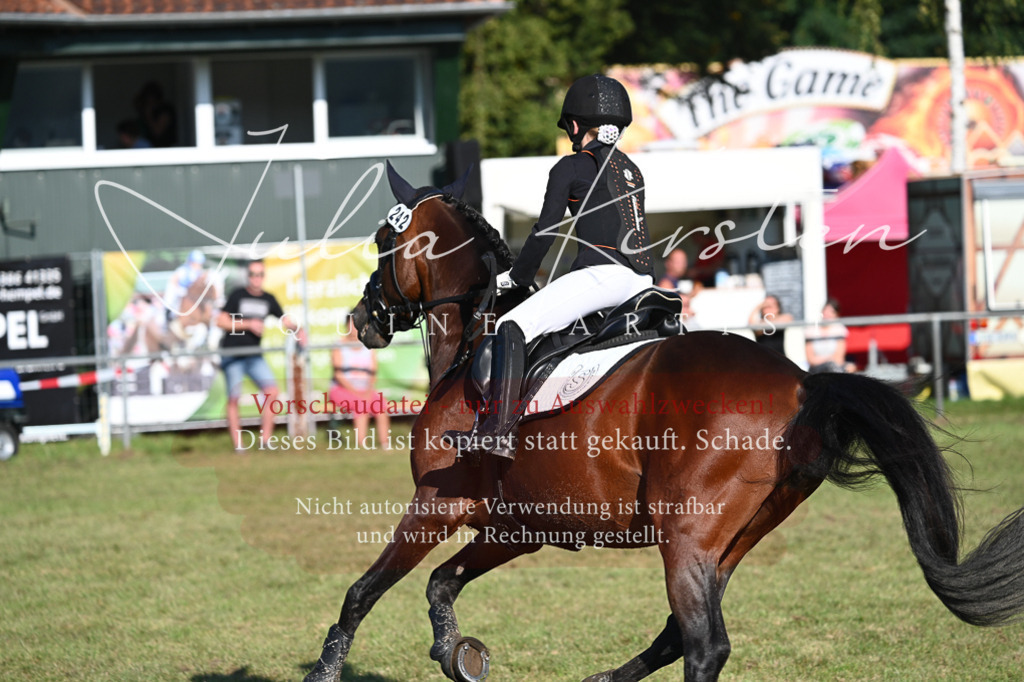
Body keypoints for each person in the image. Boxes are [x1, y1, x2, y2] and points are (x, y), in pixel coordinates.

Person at [448, 74, 654, 460]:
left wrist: (519, 277)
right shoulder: (632, 170)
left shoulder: (571, 167)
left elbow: (546, 231)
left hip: (604, 275)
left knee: (512, 326)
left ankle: (496, 431)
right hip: (643, 282)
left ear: (576, 125)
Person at [217, 260, 303, 452]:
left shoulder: (268, 299)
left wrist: (298, 329)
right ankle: (238, 444)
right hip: (233, 354)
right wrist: (248, 324)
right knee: (234, 397)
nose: (257, 278)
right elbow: (220, 321)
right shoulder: (237, 295)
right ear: (248, 276)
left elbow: (284, 319)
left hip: (254, 355)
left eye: (260, 274)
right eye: (253, 274)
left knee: (272, 391)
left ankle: (265, 440)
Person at [329, 319, 391, 450]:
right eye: (351, 323)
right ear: (346, 325)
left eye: (356, 323)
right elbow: (339, 375)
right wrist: (357, 392)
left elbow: (373, 373)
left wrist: (368, 391)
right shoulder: (339, 346)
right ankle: (362, 445)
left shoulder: (368, 346)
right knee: (360, 406)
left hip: (365, 389)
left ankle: (385, 444)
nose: (353, 327)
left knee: (381, 406)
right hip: (342, 389)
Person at [805, 298, 855, 373]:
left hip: (835, 367)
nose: (827, 314)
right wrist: (829, 359)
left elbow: (839, 358)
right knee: (832, 368)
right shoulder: (811, 330)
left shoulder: (839, 330)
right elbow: (811, 360)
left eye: (831, 312)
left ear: (836, 315)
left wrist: (823, 360)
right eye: (826, 311)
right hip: (817, 368)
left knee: (850, 367)